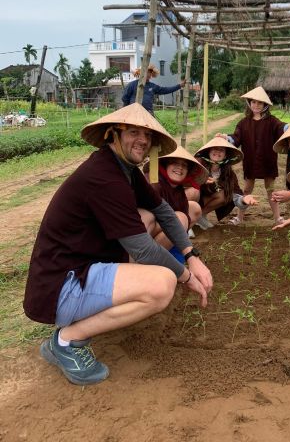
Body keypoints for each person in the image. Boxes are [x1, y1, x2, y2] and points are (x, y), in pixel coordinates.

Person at [23, 103, 213, 386]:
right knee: (162, 285)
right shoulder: (103, 177)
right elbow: (143, 250)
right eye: (133, 132)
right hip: (62, 284)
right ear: (113, 133)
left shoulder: (124, 169)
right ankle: (66, 341)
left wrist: (192, 255)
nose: (143, 141)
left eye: (147, 136)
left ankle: (82, 323)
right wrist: (186, 276)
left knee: (148, 215)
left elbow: (162, 210)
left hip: (83, 266)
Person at [218, 86, 286, 224]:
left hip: (268, 161)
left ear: (265, 105)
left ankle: (278, 217)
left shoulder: (272, 121)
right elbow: (236, 138)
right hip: (250, 161)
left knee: (270, 189)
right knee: (247, 189)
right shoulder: (243, 123)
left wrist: (289, 127)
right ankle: (239, 217)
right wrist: (227, 138)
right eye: (254, 102)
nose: (256, 105)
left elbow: (281, 127)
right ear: (249, 103)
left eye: (260, 103)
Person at [143, 145, 208, 242]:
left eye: (184, 165)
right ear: (166, 165)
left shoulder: (178, 188)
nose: (180, 168)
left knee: (194, 208)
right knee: (180, 219)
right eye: (175, 163)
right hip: (144, 230)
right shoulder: (153, 181)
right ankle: (153, 254)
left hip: (164, 225)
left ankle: (171, 244)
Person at [194, 136, 257, 228]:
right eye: (215, 149)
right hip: (192, 198)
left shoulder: (229, 173)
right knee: (192, 191)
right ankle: (187, 220)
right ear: (209, 151)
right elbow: (185, 184)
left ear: (226, 155)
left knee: (225, 195)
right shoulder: (198, 165)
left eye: (221, 150)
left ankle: (200, 216)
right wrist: (201, 181)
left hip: (205, 199)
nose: (217, 152)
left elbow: (235, 194)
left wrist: (243, 200)